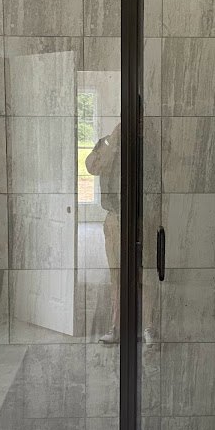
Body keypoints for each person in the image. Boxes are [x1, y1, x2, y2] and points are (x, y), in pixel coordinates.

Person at [85, 124, 121, 343]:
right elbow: (91, 167)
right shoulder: (108, 143)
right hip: (115, 217)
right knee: (116, 275)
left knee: (144, 277)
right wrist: (110, 142)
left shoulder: (147, 143)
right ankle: (116, 327)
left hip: (142, 216)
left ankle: (149, 327)